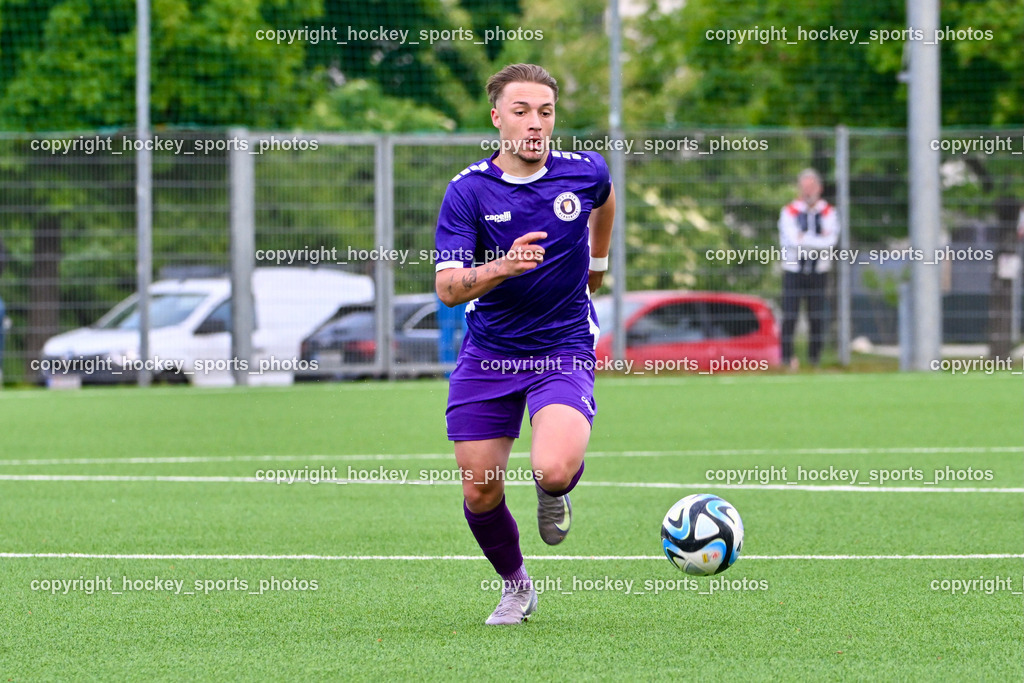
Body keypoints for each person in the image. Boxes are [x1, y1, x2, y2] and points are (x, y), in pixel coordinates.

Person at [434, 63, 615, 625]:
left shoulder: (584, 171)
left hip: (561, 345)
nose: (536, 124)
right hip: (489, 352)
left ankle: (554, 489)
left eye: (545, 112)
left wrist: (598, 262)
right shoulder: (468, 191)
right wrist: (503, 266)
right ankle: (516, 585)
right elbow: (446, 287)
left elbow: (605, 201)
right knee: (480, 490)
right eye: (522, 112)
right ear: (497, 119)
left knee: (553, 470)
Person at [778, 168, 840, 368]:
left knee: (816, 316)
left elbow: (829, 242)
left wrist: (804, 240)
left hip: (818, 271)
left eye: (812, 187)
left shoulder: (829, 212)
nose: (808, 191)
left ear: (819, 188)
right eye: (804, 187)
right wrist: (815, 241)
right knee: (790, 315)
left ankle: (815, 359)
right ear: (799, 188)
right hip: (793, 271)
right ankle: (787, 359)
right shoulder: (789, 211)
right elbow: (792, 242)